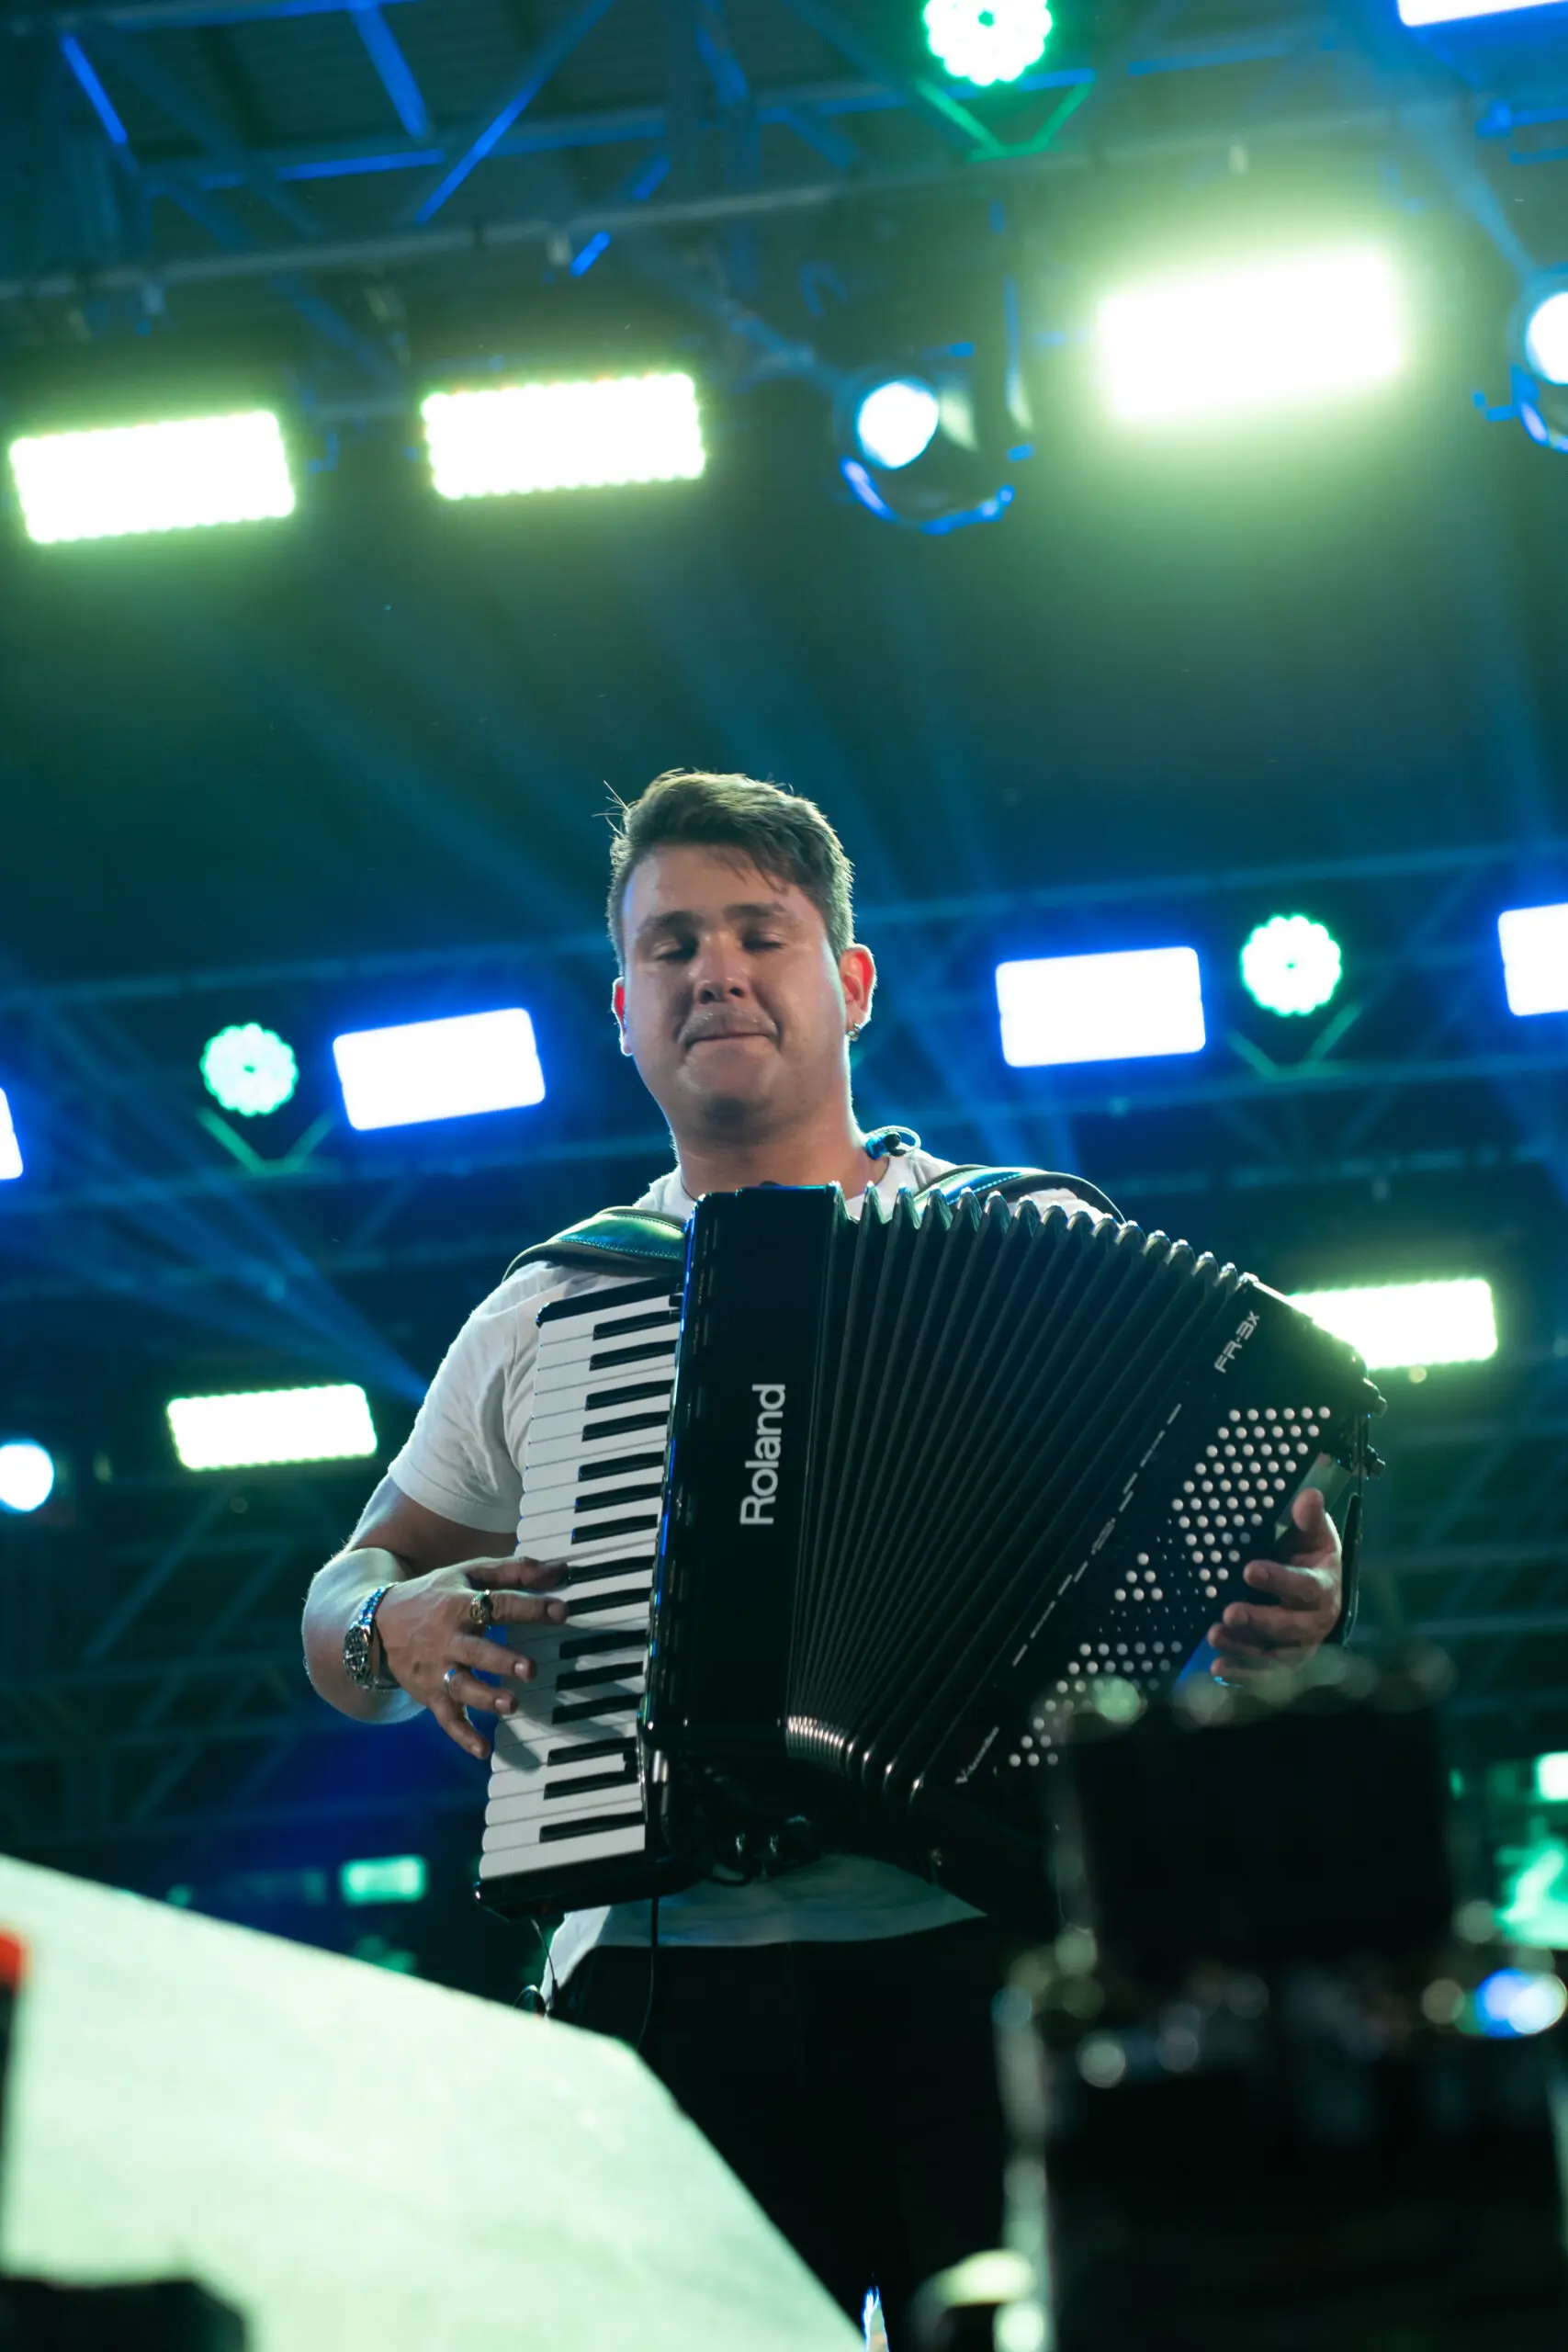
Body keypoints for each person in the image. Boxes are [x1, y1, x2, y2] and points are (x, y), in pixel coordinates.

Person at [302, 771, 1345, 2344]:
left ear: (849, 982)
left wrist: (1290, 1608)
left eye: (759, 934)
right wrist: (390, 1624)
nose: (714, 972)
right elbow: (338, 1601)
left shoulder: (1040, 1244)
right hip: (661, 1978)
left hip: (988, 1955)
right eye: (670, 947)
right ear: (622, 1010)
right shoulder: (556, 1307)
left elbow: (1222, 1562)